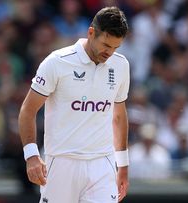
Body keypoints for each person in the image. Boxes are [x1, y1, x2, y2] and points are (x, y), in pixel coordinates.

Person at [18, 6, 130, 203]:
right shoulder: (57, 62)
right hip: (61, 161)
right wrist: (31, 155)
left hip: (101, 163)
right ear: (91, 33)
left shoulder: (121, 65)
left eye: (115, 47)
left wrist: (123, 165)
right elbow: (28, 110)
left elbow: (118, 116)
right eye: (106, 45)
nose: (109, 53)